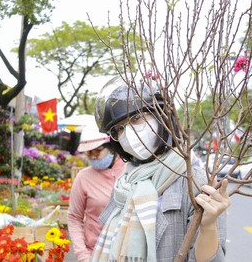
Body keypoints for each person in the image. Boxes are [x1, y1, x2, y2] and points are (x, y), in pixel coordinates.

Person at [91, 77, 230, 262]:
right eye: (119, 129)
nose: (128, 134)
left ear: (163, 118)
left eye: (137, 118)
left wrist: (209, 226)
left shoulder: (195, 181)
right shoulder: (126, 182)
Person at [68, 122, 126, 262]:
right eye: (88, 152)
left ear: (112, 147)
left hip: (127, 252)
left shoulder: (130, 170)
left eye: (97, 151)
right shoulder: (83, 178)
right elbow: (74, 218)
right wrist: (83, 255)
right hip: (94, 253)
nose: (93, 156)